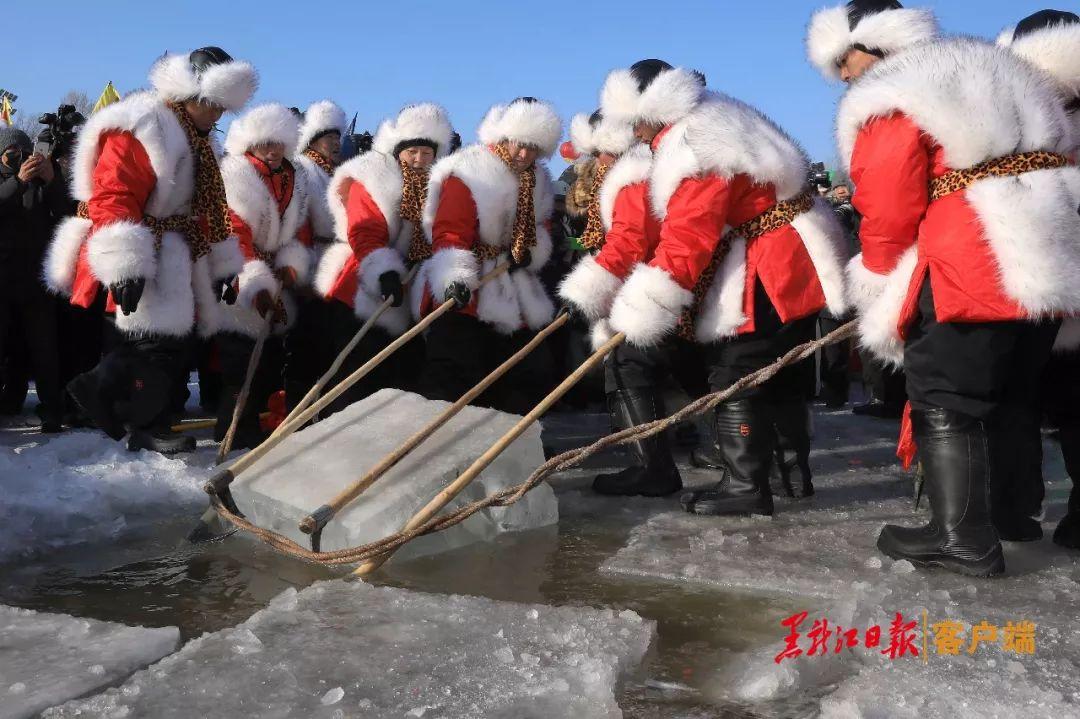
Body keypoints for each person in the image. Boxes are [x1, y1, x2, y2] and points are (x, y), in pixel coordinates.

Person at [807, 1, 1080, 575]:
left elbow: (887, 197)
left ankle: (961, 537)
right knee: (1011, 394)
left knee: (947, 397)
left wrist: (878, 273)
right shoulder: (1004, 72)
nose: (844, 74)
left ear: (873, 44)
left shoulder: (895, 91)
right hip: (1046, 260)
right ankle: (1009, 515)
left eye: (845, 61)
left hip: (970, 260)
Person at [602, 60, 849, 515]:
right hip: (794, 245)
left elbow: (689, 234)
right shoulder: (715, 114)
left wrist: (647, 305)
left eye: (633, 122)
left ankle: (746, 487)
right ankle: (792, 475)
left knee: (738, 369)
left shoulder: (693, 142)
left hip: (772, 257)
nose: (634, 135)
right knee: (779, 370)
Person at [45, 47, 254, 454]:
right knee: (150, 344)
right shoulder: (146, 125)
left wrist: (224, 263)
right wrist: (125, 263)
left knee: (173, 345)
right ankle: (107, 398)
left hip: (177, 251)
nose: (217, 116)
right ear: (188, 94)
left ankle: (153, 417)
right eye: (211, 105)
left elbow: (210, 209)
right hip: (145, 243)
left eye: (221, 108)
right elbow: (115, 193)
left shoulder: (199, 141)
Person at [558, 109, 691, 496]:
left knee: (627, 365)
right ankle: (707, 445)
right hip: (668, 284)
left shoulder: (633, 179)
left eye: (600, 151)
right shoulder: (650, 168)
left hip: (653, 286)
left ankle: (652, 467)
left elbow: (629, 242)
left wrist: (585, 291)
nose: (596, 160)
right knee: (678, 365)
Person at [415, 97, 562, 414]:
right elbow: (449, 230)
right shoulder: (470, 170)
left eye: (533, 148)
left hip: (514, 287)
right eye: (518, 145)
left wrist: (530, 250)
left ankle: (512, 447)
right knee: (455, 371)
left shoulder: (539, 181)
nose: (524, 155)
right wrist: (454, 276)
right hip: (471, 283)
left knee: (526, 372)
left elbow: (542, 226)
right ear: (504, 137)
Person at [997, 9, 1080, 549]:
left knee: (1016, 399)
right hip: (1048, 280)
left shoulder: (1014, 121)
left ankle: (1015, 509)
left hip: (1023, 281)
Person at [314, 103, 454, 413]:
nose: (418, 159)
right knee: (356, 373)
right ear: (399, 149)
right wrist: (384, 272)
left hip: (405, 291)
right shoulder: (374, 176)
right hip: (361, 284)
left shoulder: (438, 186)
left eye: (426, 153)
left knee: (400, 375)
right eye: (412, 151)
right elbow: (364, 232)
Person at [216, 103, 313, 448]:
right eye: (264, 144)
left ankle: (255, 425)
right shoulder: (236, 175)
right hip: (238, 271)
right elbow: (234, 231)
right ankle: (233, 431)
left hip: (275, 273)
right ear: (251, 144)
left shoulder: (294, 177)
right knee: (240, 361)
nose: (272, 151)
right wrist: (254, 283)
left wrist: (291, 263)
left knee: (269, 360)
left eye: (278, 143)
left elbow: (299, 228)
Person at [0, 127, 66, 432]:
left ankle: (52, 407)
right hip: (3, 281)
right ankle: (9, 400)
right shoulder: (8, 181)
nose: (20, 159)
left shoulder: (43, 182)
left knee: (44, 349)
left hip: (36, 281)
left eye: (25, 153)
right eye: (12, 153)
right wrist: (18, 181)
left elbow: (68, 212)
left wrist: (52, 179)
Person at [288, 100, 346, 411]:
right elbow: (299, 222)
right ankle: (299, 408)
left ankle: (320, 407)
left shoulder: (333, 172)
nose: (335, 143)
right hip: (313, 261)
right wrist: (305, 269)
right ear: (313, 139)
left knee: (327, 340)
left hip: (333, 261)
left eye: (338, 138)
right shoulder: (303, 169)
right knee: (308, 343)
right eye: (329, 138)